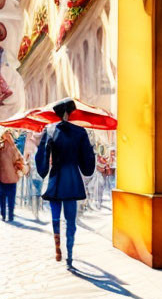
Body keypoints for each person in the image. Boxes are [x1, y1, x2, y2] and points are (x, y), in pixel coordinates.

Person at [35, 98, 96, 266]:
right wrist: (90, 164)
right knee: (70, 219)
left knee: (55, 216)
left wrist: (43, 170)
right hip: (72, 179)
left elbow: (42, 154)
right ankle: (69, 252)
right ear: (69, 113)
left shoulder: (49, 130)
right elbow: (87, 158)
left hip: (56, 177)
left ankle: (57, 247)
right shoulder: (80, 132)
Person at [0, 128, 24, 222]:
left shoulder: (1, 147)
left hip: (2, 177)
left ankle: (3, 214)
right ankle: (10, 215)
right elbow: (20, 161)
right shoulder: (14, 148)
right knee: (11, 198)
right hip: (12, 178)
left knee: (2, 197)